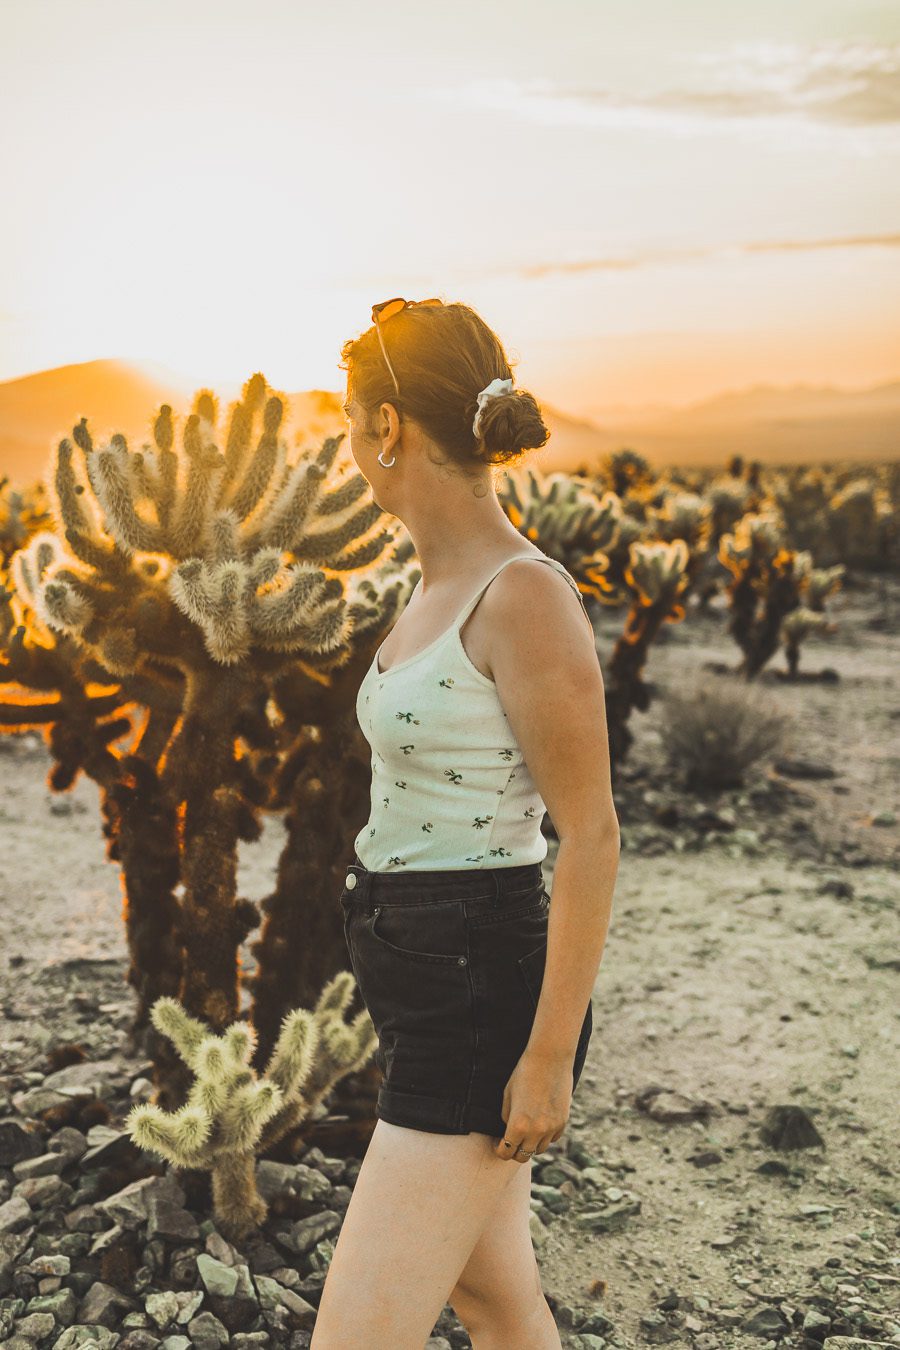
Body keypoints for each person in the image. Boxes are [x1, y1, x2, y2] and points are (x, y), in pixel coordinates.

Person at [312, 298, 619, 1349]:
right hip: (426, 977)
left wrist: (545, 1058)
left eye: (351, 420)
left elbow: (592, 834)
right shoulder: (435, 582)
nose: (348, 446)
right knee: (495, 1302)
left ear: (388, 427)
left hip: (477, 996)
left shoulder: (522, 594)